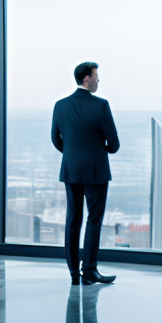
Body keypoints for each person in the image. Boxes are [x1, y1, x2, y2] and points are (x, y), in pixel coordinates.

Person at [51, 62, 120, 285]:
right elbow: (115, 144)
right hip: (96, 170)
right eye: (97, 76)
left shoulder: (60, 106)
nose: (99, 80)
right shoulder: (101, 105)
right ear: (87, 79)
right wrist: (100, 150)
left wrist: (72, 153)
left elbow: (56, 139)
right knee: (94, 219)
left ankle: (73, 274)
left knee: (73, 219)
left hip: (71, 169)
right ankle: (89, 270)